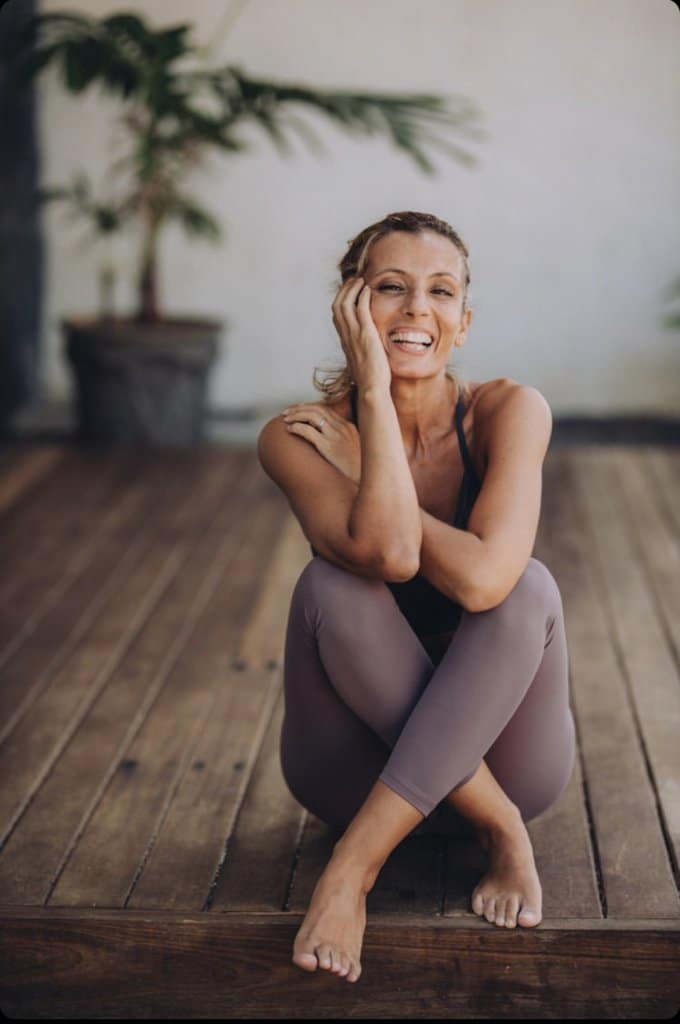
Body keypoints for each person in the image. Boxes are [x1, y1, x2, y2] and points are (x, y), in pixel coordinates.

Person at [257, 211, 575, 984]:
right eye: (389, 288)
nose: (414, 311)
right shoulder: (296, 436)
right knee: (337, 581)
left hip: (515, 764)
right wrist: (369, 394)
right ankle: (496, 827)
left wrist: (367, 464)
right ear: (351, 308)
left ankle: (352, 867)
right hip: (345, 772)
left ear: (463, 323)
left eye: (440, 292)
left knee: (525, 585)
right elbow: (391, 555)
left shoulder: (509, 412)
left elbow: (482, 581)